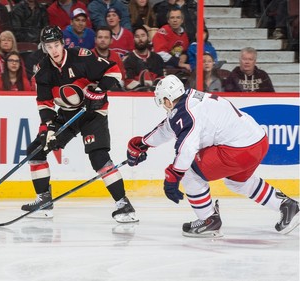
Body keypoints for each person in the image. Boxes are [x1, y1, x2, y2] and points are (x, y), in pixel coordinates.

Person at [126, 74, 299, 237]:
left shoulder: (187, 114)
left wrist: (173, 176)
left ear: (167, 100)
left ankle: (208, 220)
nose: (163, 106)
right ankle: (287, 205)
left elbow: (187, 149)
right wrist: (142, 143)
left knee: (188, 172)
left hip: (238, 150)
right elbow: (169, 126)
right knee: (237, 182)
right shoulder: (190, 98)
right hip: (258, 141)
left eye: (162, 102)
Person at [22, 25, 138, 223]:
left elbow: (114, 70)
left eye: (57, 45)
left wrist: (99, 90)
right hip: (67, 114)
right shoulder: (43, 70)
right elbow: (44, 103)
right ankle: (44, 200)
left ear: (63, 43)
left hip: (93, 113)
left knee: (98, 157)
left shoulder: (82, 57)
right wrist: (47, 128)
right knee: (36, 151)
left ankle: (123, 203)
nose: (54, 51)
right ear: (44, 48)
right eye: (49, 47)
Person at [123, 26, 164, 90]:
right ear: (133, 39)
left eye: (143, 35)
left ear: (148, 38)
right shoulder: (128, 59)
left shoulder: (157, 58)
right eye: (137, 36)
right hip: (136, 96)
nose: (140, 39)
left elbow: (162, 77)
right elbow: (127, 81)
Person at [152, 7, 190, 72]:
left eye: (178, 17)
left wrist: (184, 55)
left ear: (182, 20)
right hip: (160, 64)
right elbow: (159, 53)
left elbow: (184, 50)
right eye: (172, 17)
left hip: (175, 63)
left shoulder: (184, 35)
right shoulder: (163, 32)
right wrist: (178, 63)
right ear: (168, 20)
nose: (175, 20)